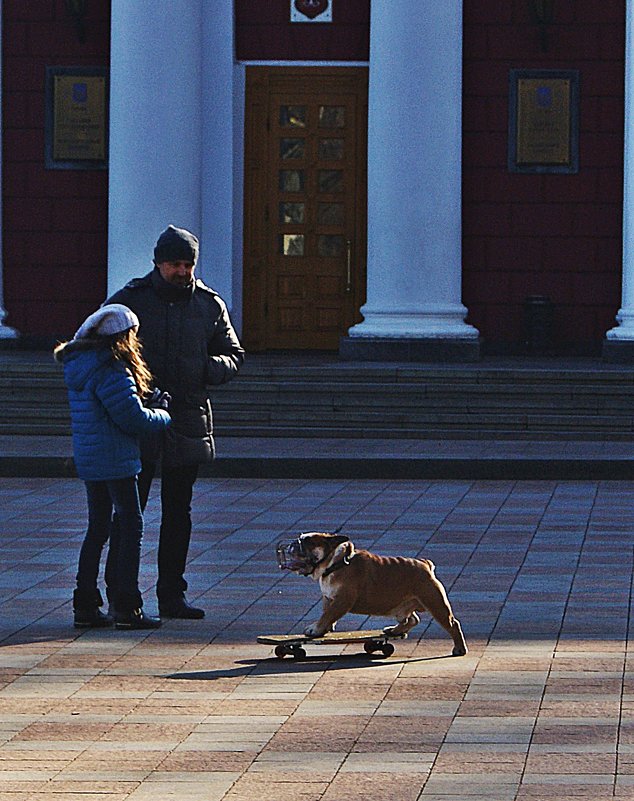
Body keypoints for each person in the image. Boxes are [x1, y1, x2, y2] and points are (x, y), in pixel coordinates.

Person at [106, 225, 245, 620]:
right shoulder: (130, 301)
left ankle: (171, 595)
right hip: (140, 419)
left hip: (187, 418)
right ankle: (121, 594)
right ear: (158, 263)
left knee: (178, 513)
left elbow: (233, 355)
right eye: (174, 264)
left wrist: (207, 368)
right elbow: (101, 343)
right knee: (130, 513)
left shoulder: (208, 304)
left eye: (187, 264)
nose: (181, 271)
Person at [54, 304, 172, 630]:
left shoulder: (81, 365)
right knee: (131, 525)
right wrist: (162, 413)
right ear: (122, 337)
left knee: (97, 529)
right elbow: (132, 418)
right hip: (116, 459)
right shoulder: (111, 369)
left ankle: (86, 605)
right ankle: (127, 607)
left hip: (91, 458)